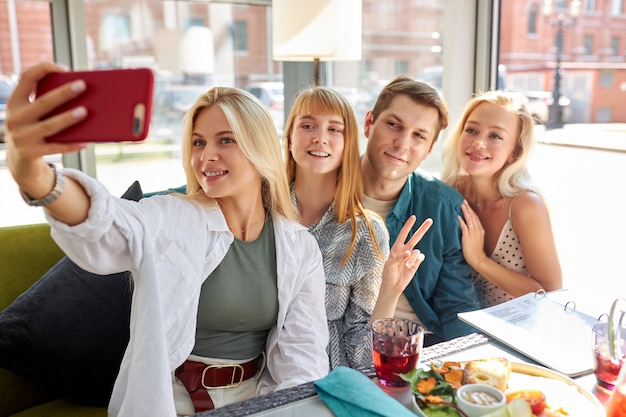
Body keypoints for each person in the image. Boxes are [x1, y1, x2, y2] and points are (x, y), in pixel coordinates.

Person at [5, 62, 329, 417]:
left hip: (258, 399)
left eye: (226, 140)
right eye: (198, 142)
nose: (206, 156)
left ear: (261, 149)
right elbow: (110, 223)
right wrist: (37, 177)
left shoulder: (299, 248)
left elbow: (303, 357)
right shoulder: (173, 218)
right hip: (173, 402)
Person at [360, 76, 480, 345]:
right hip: (340, 345)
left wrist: (469, 365)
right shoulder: (323, 192)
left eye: (419, 135)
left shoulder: (443, 205)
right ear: (369, 124)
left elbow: (457, 306)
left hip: (421, 344)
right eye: (393, 125)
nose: (402, 143)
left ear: (429, 149)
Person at [283, 86, 391, 370]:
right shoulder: (261, 212)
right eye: (307, 125)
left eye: (334, 129)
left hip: (325, 376)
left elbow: (359, 335)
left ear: (349, 144)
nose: (320, 138)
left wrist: (391, 288)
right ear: (289, 137)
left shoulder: (367, 233)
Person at [441, 90, 562, 308]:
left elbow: (550, 294)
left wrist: (479, 261)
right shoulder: (451, 189)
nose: (478, 143)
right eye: (471, 130)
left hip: (516, 333)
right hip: (459, 329)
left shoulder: (525, 205)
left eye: (495, 136)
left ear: (514, 152)